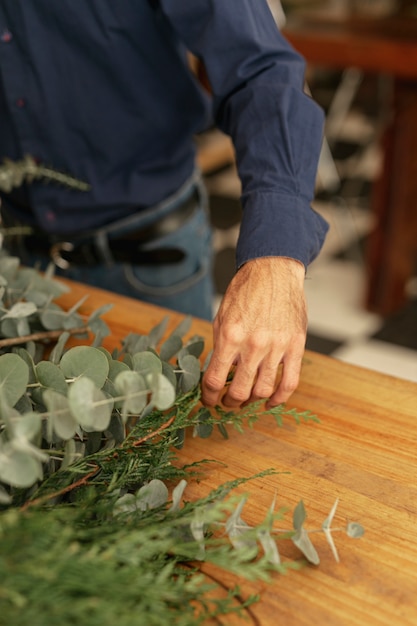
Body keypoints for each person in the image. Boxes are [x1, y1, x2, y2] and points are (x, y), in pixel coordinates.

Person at [0, 1, 328, 410]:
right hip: (16, 262)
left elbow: (260, 68)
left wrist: (276, 259)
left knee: (178, 438)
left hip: (151, 258)